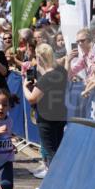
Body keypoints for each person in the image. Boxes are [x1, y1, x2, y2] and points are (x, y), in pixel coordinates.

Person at [23, 43, 68, 175]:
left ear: (40, 58)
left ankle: (56, 181)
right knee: (57, 148)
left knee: (50, 151)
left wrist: (24, 86)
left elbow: (32, 98)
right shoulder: (61, 71)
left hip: (46, 117)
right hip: (60, 115)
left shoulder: (46, 78)